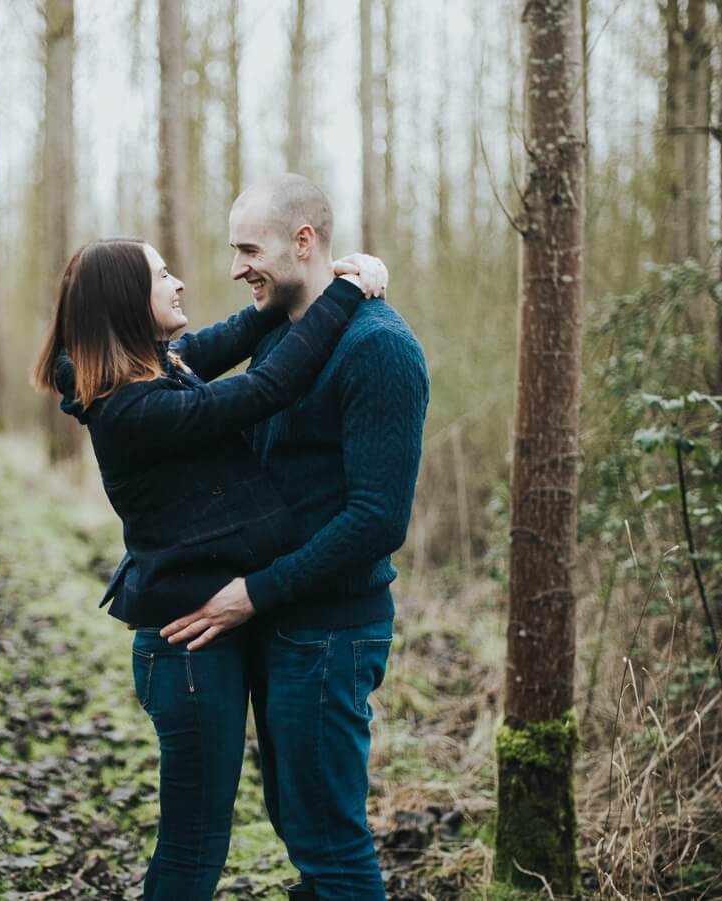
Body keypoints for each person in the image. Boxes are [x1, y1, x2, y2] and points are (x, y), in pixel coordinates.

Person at [31, 236, 387, 900]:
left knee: (210, 841)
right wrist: (350, 288)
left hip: (212, 638)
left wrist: (289, 287)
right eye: (162, 274)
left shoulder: (155, 368)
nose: (180, 283)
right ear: (125, 303)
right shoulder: (133, 407)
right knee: (195, 851)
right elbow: (269, 386)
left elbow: (232, 334)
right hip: (188, 653)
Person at [160, 174, 430, 901]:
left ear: (303, 241)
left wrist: (254, 591)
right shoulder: (282, 331)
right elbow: (176, 372)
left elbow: (378, 519)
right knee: (299, 824)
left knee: (331, 845)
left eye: (249, 248)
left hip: (331, 634)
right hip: (285, 628)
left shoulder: (380, 349)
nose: (235, 265)